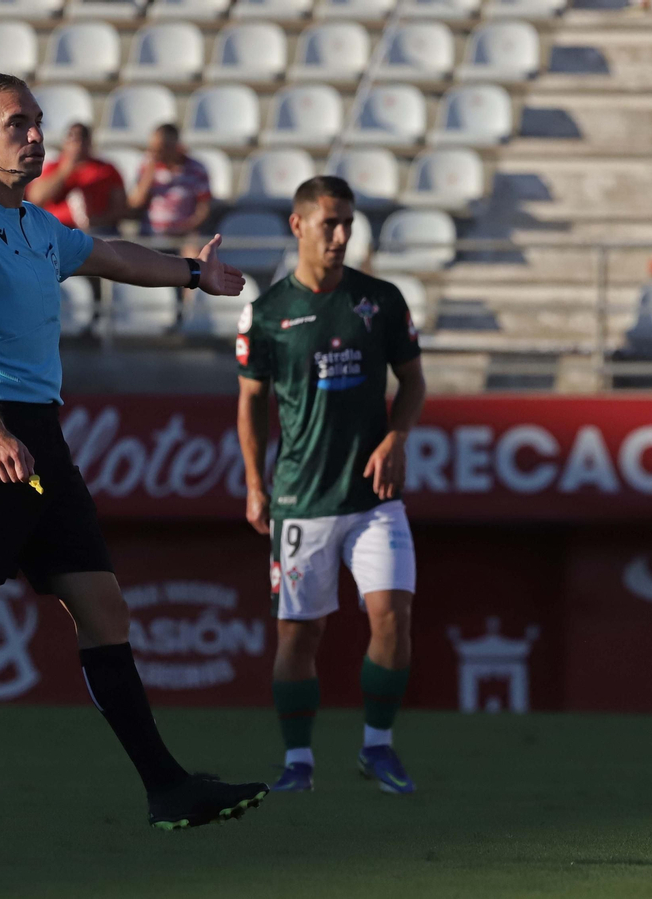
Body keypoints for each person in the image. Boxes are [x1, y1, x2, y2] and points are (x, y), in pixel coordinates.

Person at [0, 73, 263, 832]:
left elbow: (109, 253)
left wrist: (190, 273)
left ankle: (166, 788)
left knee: (102, 604)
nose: (37, 136)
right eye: (19, 124)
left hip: (39, 437)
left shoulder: (40, 226)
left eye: (39, 122)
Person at [235, 176, 426, 796]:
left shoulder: (382, 299)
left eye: (348, 224)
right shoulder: (266, 314)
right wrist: (254, 483)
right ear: (298, 226)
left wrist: (397, 437)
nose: (341, 235)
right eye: (330, 224)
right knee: (300, 633)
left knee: (392, 617)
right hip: (301, 498)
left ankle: (378, 747)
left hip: (374, 498)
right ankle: (298, 761)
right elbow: (250, 405)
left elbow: (414, 382)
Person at [26, 123, 126, 236]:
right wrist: (67, 168)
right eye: (73, 137)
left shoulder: (106, 170)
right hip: (58, 230)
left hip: (97, 232)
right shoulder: (53, 167)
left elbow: (120, 209)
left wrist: (97, 221)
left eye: (83, 138)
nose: (78, 143)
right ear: (65, 142)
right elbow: (36, 198)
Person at [127, 124, 210, 248]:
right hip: (150, 236)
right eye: (152, 149)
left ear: (175, 147)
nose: (155, 154)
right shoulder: (147, 167)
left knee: (194, 255)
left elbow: (203, 209)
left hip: (183, 238)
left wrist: (185, 228)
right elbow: (135, 203)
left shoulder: (196, 169)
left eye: (160, 149)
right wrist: (149, 175)